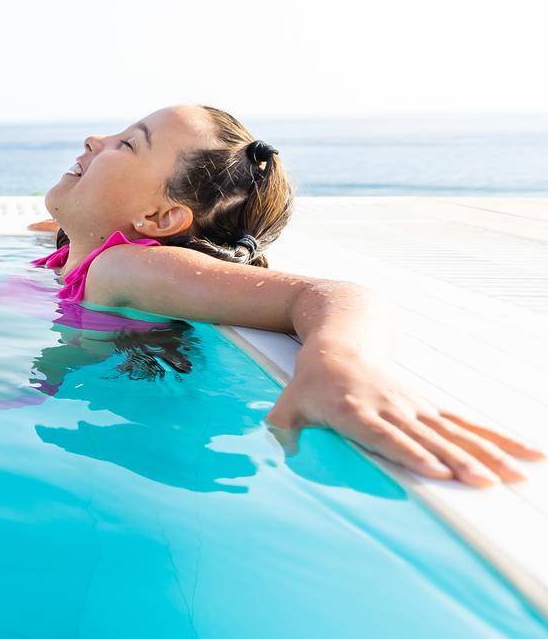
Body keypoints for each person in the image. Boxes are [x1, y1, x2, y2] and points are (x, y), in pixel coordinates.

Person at [34, 104, 541, 486]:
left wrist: (337, 366)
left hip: (124, 454)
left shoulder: (124, 267)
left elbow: (333, 294)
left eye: (127, 145)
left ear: (158, 220)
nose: (95, 138)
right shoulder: (80, 252)